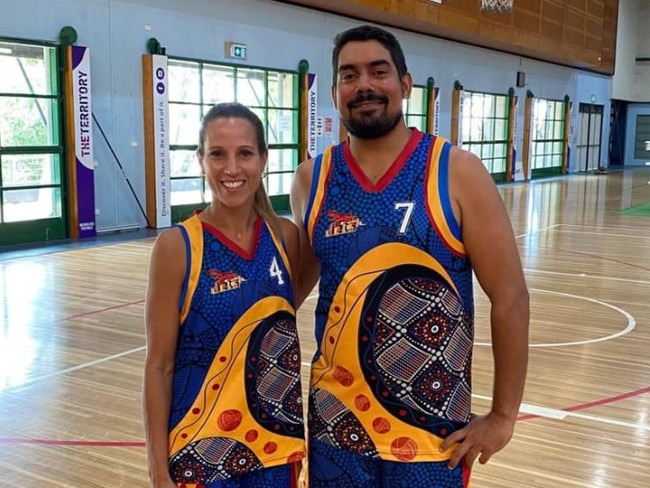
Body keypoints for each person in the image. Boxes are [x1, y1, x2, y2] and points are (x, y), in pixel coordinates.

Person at [290, 25, 529, 487]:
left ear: (404, 84)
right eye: (349, 75)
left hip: (433, 434)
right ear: (336, 90)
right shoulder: (311, 180)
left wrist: (503, 415)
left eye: (378, 72)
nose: (364, 85)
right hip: (336, 427)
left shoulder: (456, 171)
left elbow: (511, 296)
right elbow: (287, 293)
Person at [143, 102, 305, 488]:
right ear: (200, 159)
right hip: (200, 454)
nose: (231, 168)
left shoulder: (286, 238)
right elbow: (159, 367)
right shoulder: (177, 247)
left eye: (245, 153)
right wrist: (157, 470)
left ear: (263, 159)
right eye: (218, 154)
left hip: (274, 450)